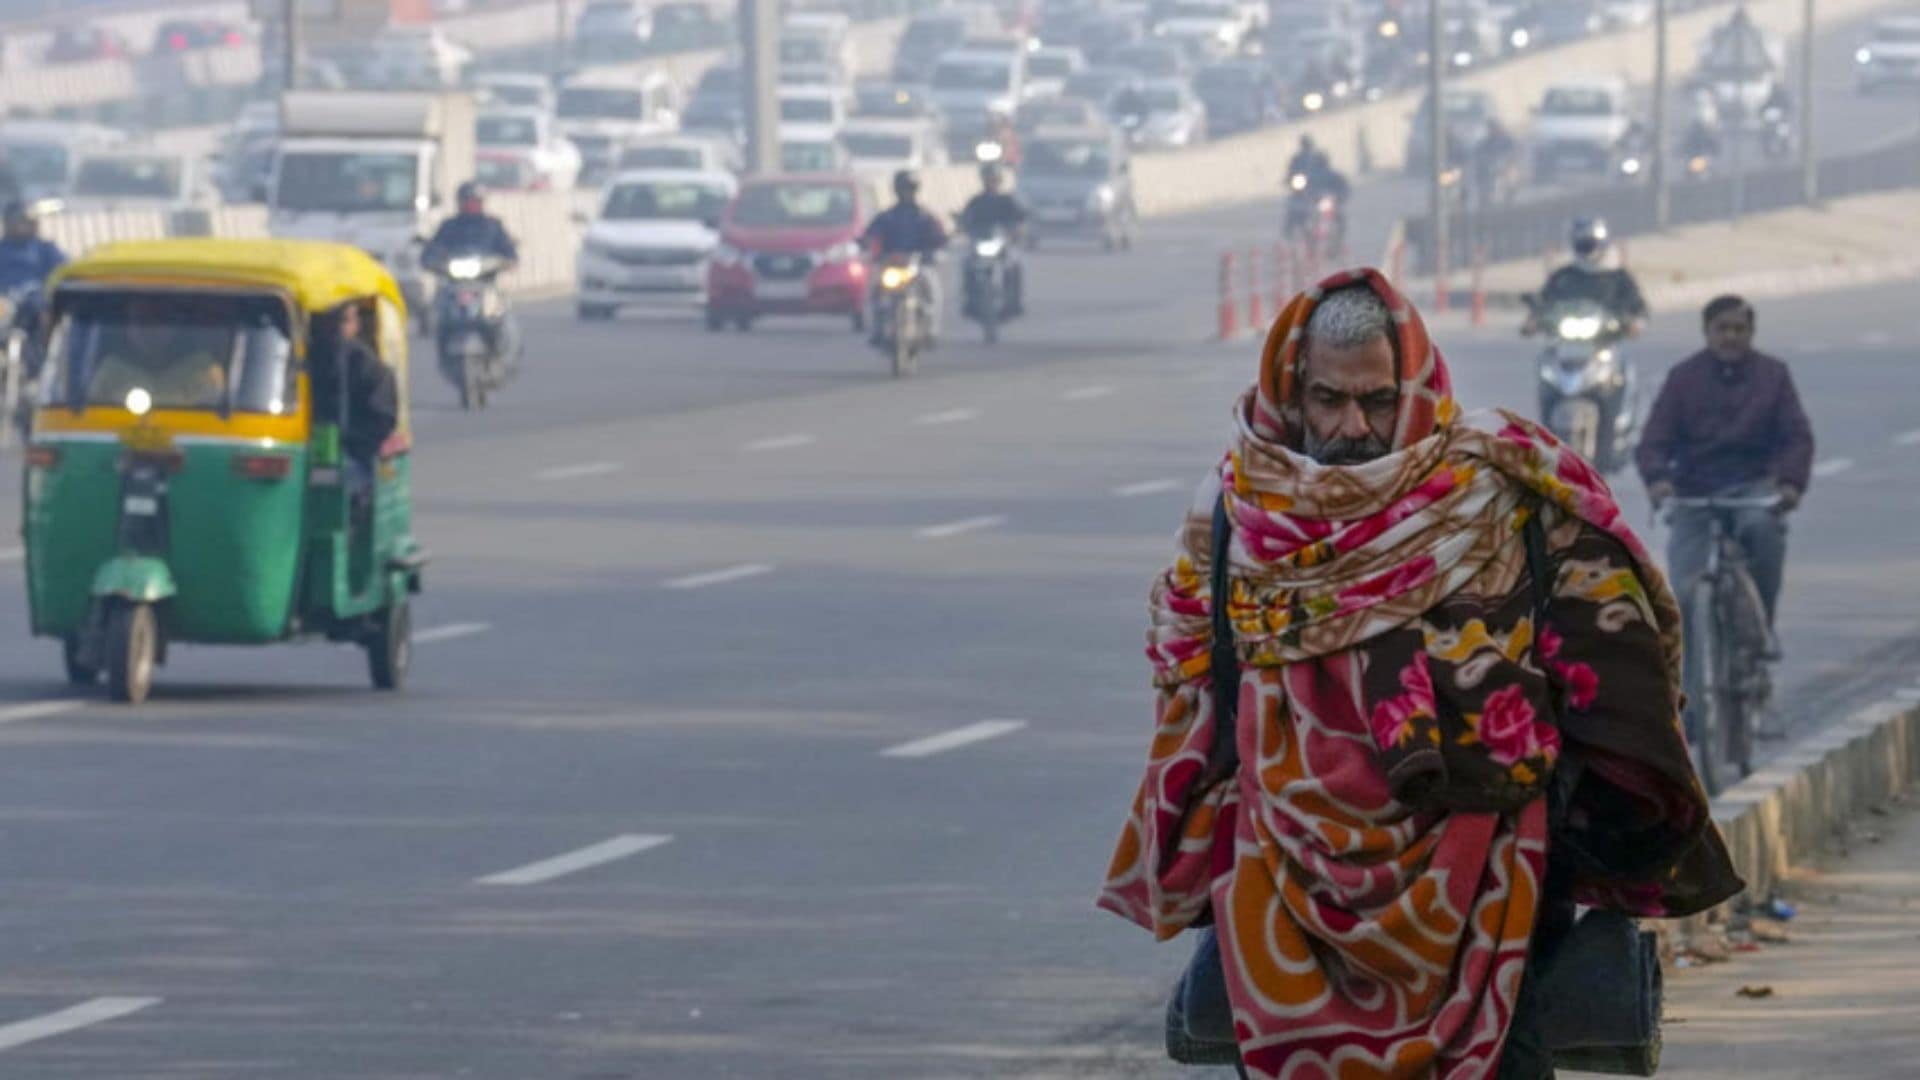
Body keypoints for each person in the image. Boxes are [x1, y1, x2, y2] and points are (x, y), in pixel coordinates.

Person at [1100, 270, 1740, 1079]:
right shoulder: (1236, 512)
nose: (1352, 426)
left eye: (1375, 400)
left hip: (1490, 865)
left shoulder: (1499, 488)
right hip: (1289, 874)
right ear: (1292, 391)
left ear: (1416, 386)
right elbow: (1189, 671)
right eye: (1329, 400)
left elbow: (1617, 647)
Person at [1637, 294, 1812, 634]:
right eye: (1722, 328)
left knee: (1764, 535)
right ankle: (1691, 680)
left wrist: (1790, 483)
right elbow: (1654, 439)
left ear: (1751, 333)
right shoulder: (1683, 378)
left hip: (1753, 487)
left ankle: (1761, 631)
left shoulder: (1773, 376)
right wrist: (1658, 478)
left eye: (1739, 328)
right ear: (1707, 332)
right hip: (1694, 491)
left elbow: (1796, 436)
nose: (1730, 336)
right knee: (1684, 589)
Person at [312, 301, 398, 506]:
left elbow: (382, 420)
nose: (338, 329)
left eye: (344, 320)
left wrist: (350, 441)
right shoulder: (302, 357)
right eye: (332, 322)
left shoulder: (367, 365)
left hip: (353, 457)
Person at [88, 295, 227, 408]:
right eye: (140, 320)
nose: (149, 331)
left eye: (158, 321)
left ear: (174, 327)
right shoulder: (110, 371)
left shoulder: (205, 370)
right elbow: (89, 421)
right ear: (128, 328)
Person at [860, 170, 948, 341]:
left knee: (932, 288)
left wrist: (935, 251)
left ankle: (931, 329)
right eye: (903, 188)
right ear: (896, 190)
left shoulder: (925, 217)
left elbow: (940, 237)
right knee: (876, 292)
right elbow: (869, 235)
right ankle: (878, 329)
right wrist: (867, 247)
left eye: (910, 188)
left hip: (917, 265)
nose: (907, 192)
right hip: (891, 265)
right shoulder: (886, 217)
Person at [1534, 217, 1648, 331]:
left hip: (1605, 337)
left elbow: (1636, 303)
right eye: (1582, 245)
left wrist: (1635, 322)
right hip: (1566, 337)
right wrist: (1534, 319)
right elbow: (1546, 299)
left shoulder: (1617, 276)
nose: (1588, 250)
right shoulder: (1564, 276)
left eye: (1590, 244)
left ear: (1602, 244)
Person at [957, 162, 1027, 318]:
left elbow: (1020, 218)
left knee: (1016, 264)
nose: (991, 182)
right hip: (980, 243)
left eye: (994, 179)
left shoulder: (1007, 200)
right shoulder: (976, 201)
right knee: (966, 264)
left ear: (999, 180)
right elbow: (965, 218)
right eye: (988, 179)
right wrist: (962, 225)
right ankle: (969, 301)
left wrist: (1017, 230)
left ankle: (1015, 302)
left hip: (1002, 244)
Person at [422, 181, 520, 270]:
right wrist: (432, 259)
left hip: (485, 278)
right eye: (468, 202)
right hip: (451, 280)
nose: (471, 206)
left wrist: (507, 260)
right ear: (460, 202)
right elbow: (435, 246)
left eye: (475, 202)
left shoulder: (492, 226)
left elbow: (506, 249)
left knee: (492, 290)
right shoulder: (449, 226)